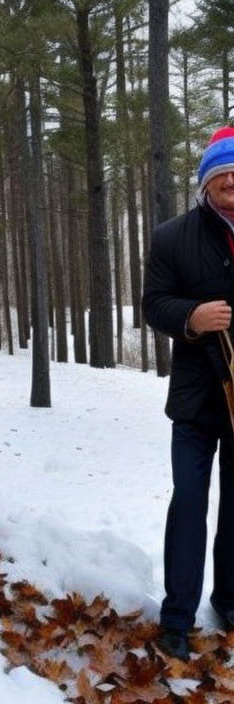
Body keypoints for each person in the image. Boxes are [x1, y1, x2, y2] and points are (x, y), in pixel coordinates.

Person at [143, 125, 234, 660]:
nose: (231, 182)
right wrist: (193, 319)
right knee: (190, 503)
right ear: (206, 180)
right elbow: (154, 304)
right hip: (196, 401)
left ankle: (228, 600)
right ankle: (177, 616)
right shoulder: (171, 237)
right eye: (222, 173)